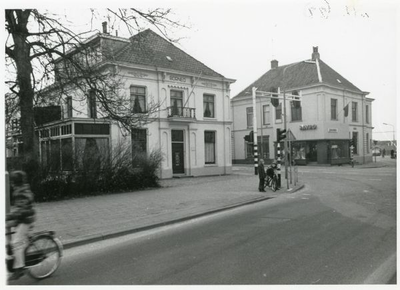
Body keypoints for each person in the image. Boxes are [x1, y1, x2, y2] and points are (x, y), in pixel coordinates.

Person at [6, 171, 36, 280]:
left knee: (15, 243)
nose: (11, 184)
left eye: (12, 182)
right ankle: (22, 249)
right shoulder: (20, 190)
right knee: (12, 237)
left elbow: (21, 210)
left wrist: (8, 217)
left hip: (26, 220)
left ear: (15, 182)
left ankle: (20, 268)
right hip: (22, 219)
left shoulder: (22, 193)